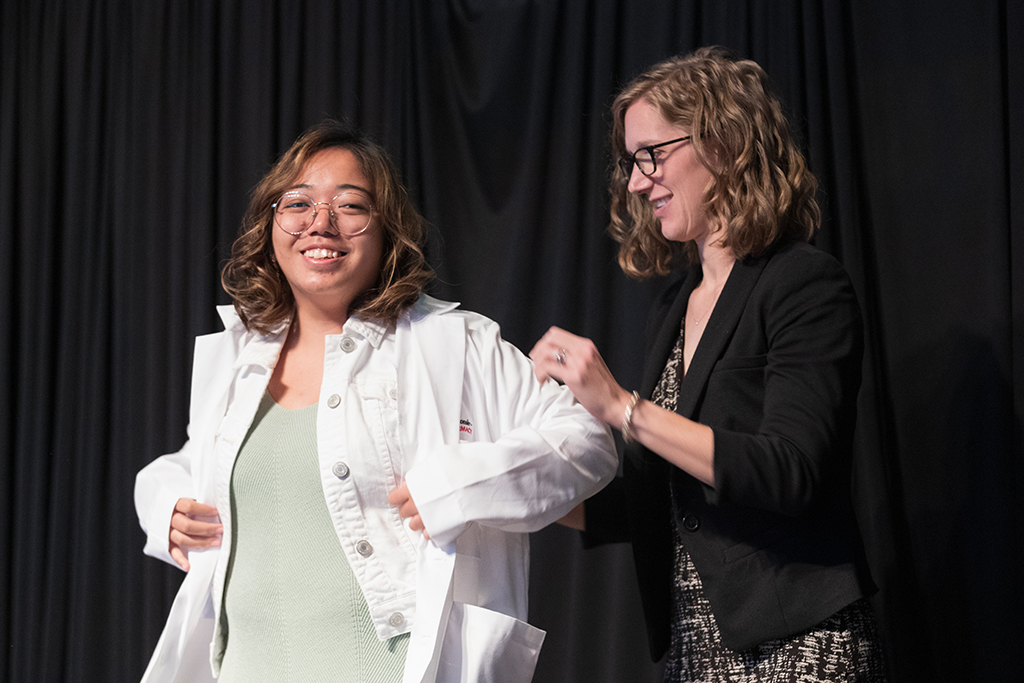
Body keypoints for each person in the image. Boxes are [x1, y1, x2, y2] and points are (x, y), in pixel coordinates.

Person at [134, 120, 617, 683]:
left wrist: (463, 483)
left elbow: (586, 442)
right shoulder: (239, 356)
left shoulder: (452, 343)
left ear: (387, 229)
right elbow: (199, 465)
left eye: (350, 205)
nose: (321, 223)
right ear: (271, 224)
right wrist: (164, 503)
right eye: (298, 203)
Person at [530, 47, 887, 681]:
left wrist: (621, 408)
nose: (638, 182)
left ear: (723, 143)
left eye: (652, 155)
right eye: (630, 163)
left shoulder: (802, 283)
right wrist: (512, 484)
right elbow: (662, 502)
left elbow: (790, 470)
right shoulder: (675, 306)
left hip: (797, 645)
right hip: (697, 653)